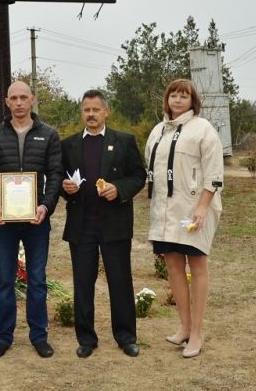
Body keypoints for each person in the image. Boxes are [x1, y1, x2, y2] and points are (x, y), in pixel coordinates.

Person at [60, 89, 147, 358]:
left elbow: (139, 176)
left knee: (120, 281)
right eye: (86, 109)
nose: (91, 114)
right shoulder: (69, 145)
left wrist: (118, 189)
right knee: (83, 283)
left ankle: (126, 336)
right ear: (81, 112)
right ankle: (86, 338)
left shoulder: (124, 141)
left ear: (106, 111)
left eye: (96, 109)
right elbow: (61, 180)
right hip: (82, 225)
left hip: (114, 224)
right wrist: (66, 189)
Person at [0, 80, 63, 359]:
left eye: (23, 97)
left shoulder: (49, 135)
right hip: (4, 220)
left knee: (37, 279)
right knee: (5, 279)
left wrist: (46, 206)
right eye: (13, 97)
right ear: (6, 102)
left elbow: (55, 175)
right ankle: (3, 337)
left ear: (32, 99)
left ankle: (39, 336)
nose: (18, 102)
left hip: (36, 219)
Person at [145, 79, 224, 359]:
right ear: (166, 100)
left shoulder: (203, 129)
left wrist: (203, 206)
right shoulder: (158, 131)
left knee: (197, 265)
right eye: (173, 95)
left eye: (184, 96)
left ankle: (198, 333)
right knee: (174, 267)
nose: (178, 100)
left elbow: (214, 171)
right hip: (166, 212)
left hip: (193, 210)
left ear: (193, 101)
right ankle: (185, 327)